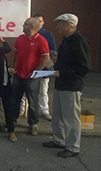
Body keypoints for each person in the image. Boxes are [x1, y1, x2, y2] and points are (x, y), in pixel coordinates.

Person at [43, 13, 91, 158]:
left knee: (71, 118)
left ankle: (73, 147)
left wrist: (62, 73)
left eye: (60, 23)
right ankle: (59, 140)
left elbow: (84, 66)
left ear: (68, 25)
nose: (57, 26)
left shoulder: (79, 41)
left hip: (71, 85)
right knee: (58, 115)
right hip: (61, 83)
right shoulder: (67, 40)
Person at [9, 18, 50, 136]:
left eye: (25, 24)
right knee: (15, 99)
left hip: (31, 77)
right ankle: (12, 120)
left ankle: (33, 124)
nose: (23, 26)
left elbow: (46, 58)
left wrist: (37, 72)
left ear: (32, 27)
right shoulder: (20, 38)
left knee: (33, 101)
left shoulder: (41, 40)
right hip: (18, 74)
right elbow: (14, 53)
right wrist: (12, 66)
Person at [33, 13, 57, 121]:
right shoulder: (30, 33)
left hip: (44, 66)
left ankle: (44, 110)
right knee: (27, 89)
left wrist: (47, 58)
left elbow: (53, 50)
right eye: (36, 21)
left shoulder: (48, 34)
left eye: (40, 21)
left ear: (43, 22)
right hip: (31, 65)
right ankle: (22, 108)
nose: (38, 23)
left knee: (43, 89)